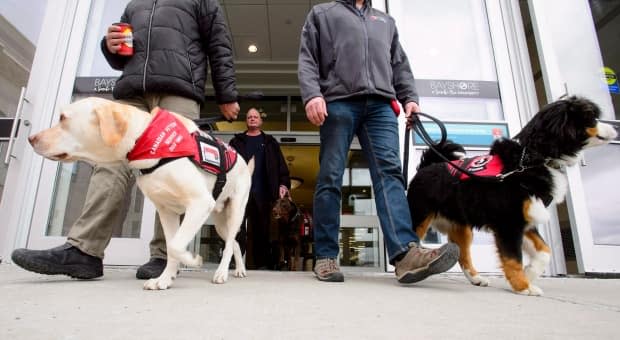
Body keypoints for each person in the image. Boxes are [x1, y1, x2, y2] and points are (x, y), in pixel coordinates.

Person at [11, 0, 240, 280]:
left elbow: (219, 45)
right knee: (109, 165)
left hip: (178, 89)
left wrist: (227, 94)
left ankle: (164, 255)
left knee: (177, 168)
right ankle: (84, 250)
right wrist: (110, 46)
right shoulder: (135, 4)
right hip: (132, 93)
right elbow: (120, 55)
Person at [297, 0, 459, 283]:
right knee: (330, 176)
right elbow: (308, 57)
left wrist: (409, 98)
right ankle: (325, 256)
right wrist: (312, 94)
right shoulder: (323, 14)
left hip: (381, 106)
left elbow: (399, 65)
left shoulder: (385, 21)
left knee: (390, 175)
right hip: (338, 101)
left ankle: (405, 255)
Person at [229, 108, 291, 269]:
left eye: (255, 117)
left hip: (264, 193)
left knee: (262, 230)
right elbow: (227, 165)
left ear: (260, 121)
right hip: (240, 193)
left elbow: (281, 166)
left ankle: (260, 263)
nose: (252, 119)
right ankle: (233, 261)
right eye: (249, 117)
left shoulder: (270, 143)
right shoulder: (236, 142)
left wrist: (283, 184)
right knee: (236, 227)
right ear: (246, 121)